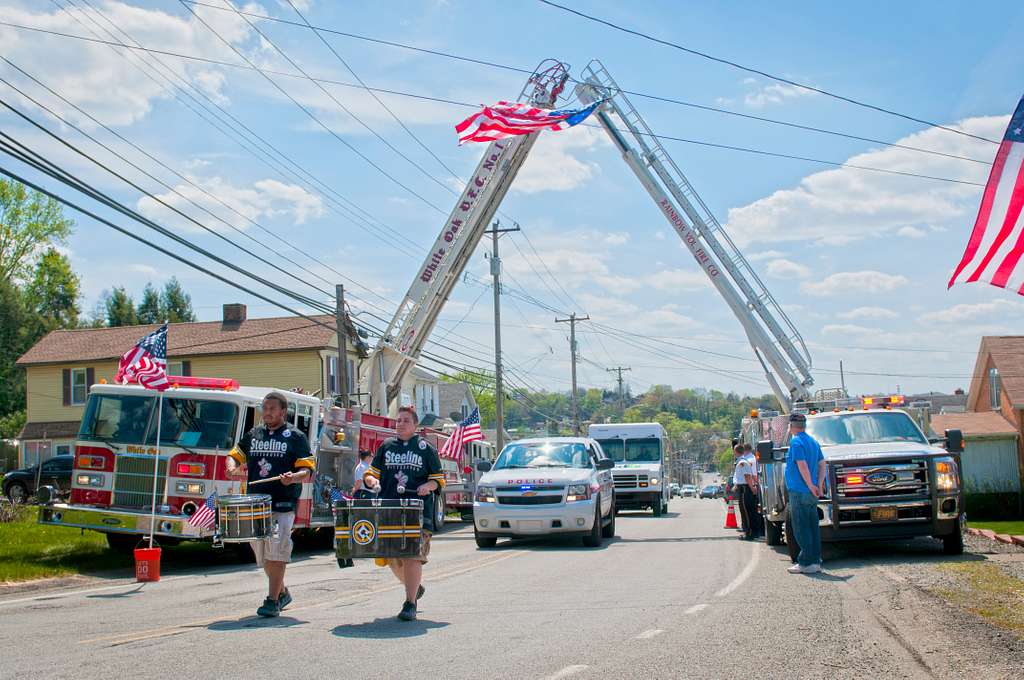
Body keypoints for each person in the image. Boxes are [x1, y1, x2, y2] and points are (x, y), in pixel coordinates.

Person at [226, 392, 315, 617]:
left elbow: (307, 470)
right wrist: (230, 466)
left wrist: (293, 477)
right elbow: (236, 454)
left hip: (283, 504)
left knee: (277, 551)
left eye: (272, 409)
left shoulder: (295, 437)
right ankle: (282, 591)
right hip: (256, 503)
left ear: (283, 411)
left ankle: (272, 600)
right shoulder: (254, 434)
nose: (267, 412)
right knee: (263, 555)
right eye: (264, 408)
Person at [363, 406, 445, 622]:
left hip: (417, 511)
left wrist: (428, 486)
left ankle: (410, 603)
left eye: (405, 420)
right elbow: (372, 473)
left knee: (412, 555)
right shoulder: (387, 446)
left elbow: (439, 479)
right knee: (391, 557)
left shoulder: (426, 449)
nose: (400, 424)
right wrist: (371, 481)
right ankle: (414, 587)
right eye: (398, 420)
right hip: (389, 509)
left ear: (415, 425)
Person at [784, 412, 826, 574]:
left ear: (791, 426)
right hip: (812, 491)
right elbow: (822, 464)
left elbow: (802, 466)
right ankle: (815, 561)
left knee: (801, 527)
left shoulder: (796, 442)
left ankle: (806, 562)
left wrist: (809, 484)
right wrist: (819, 485)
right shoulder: (813, 442)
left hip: (800, 490)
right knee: (812, 527)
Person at [732, 444, 754, 539]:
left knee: (746, 512)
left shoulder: (743, 462)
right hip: (742, 488)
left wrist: (752, 488)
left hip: (745, 489)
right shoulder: (741, 461)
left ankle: (749, 533)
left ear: (736, 452)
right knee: (743, 511)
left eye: (734, 451)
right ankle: (747, 532)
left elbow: (747, 476)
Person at [742, 443, 764, 539]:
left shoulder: (748, 460)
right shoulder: (752, 458)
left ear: (744, 450)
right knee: (754, 511)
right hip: (753, 486)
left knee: (751, 511)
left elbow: (752, 476)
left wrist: (753, 487)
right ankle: (757, 531)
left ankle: (754, 532)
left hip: (750, 487)